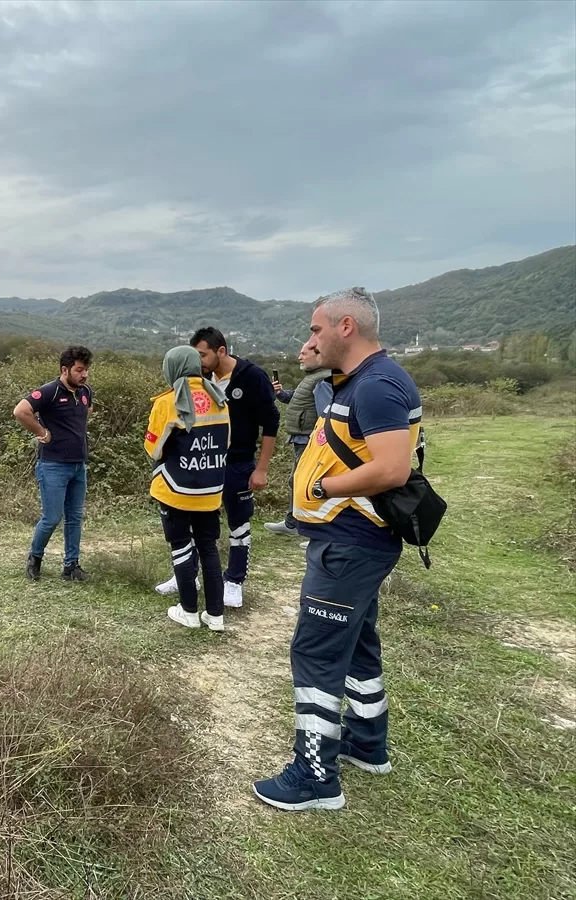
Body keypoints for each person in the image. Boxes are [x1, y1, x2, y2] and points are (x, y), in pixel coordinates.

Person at [253, 287, 423, 812]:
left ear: (345, 326)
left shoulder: (376, 385)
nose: (311, 338)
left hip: (351, 544)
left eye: (315, 329)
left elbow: (392, 469)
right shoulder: (360, 382)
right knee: (358, 642)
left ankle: (314, 775)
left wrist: (325, 488)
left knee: (316, 651)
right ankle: (368, 744)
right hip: (350, 542)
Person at [189, 327, 280, 608]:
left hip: (238, 463)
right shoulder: (201, 377)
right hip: (205, 462)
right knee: (195, 521)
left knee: (238, 524)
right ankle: (188, 574)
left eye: (202, 354)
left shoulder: (252, 377)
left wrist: (261, 469)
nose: (199, 361)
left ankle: (234, 581)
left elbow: (271, 423)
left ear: (221, 351)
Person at [145, 347, 231, 630]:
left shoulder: (168, 402)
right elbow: (225, 444)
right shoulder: (219, 399)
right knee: (209, 549)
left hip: (176, 489)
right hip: (210, 490)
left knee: (181, 548)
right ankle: (216, 616)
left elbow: (153, 449)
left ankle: (189, 612)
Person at [13, 346, 94, 582]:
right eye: (79, 370)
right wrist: (41, 431)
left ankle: (71, 566)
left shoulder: (86, 391)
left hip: (79, 464)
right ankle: (34, 559)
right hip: (53, 465)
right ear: (64, 369)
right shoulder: (50, 391)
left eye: (86, 370)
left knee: (75, 517)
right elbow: (21, 411)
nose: (84, 375)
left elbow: (86, 411)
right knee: (51, 517)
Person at [264, 345, 332, 537]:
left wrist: (319, 442)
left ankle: (307, 526)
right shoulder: (313, 378)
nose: (299, 356)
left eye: (304, 353)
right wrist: (281, 394)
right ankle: (293, 523)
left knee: (307, 481)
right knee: (297, 480)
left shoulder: (322, 380)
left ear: (318, 356)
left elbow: (326, 415)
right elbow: (298, 399)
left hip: (310, 440)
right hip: (302, 437)